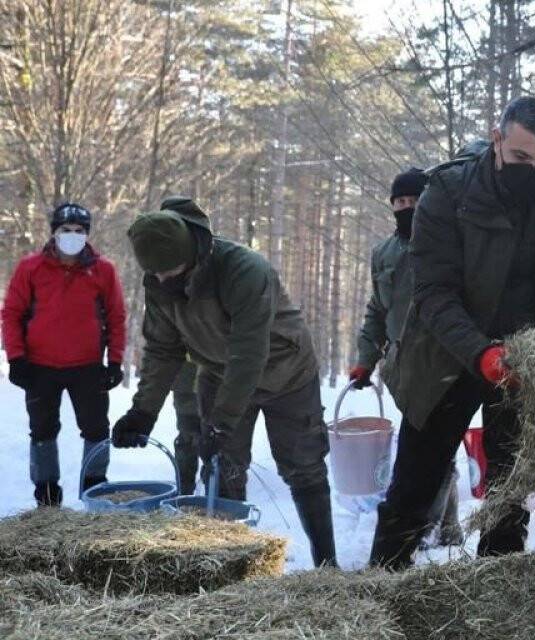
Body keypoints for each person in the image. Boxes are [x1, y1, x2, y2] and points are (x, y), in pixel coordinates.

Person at [369, 96, 535, 569]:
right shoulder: (448, 192)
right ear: (497, 140)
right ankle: (381, 587)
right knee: (414, 490)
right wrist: (480, 354)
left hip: (527, 368)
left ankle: (499, 593)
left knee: (509, 495)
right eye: (521, 157)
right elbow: (434, 293)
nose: (533, 169)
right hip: (446, 359)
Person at [111, 196, 336, 567]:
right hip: (217, 372)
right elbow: (163, 350)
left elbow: (249, 353)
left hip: (287, 372)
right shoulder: (160, 281)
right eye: (158, 275)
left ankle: (327, 564)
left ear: (193, 254)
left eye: (172, 272)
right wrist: (143, 412)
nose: (165, 281)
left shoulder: (244, 270)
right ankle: (234, 564)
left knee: (303, 465)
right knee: (223, 465)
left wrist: (222, 419)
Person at [350, 165, 463, 547]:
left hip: (447, 361)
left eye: (414, 200)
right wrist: (366, 358)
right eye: (399, 201)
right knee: (428, 449)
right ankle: (443, 524)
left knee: (434, 445)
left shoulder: (449, 245)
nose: (406, 207)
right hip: (404, 367)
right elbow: (377, 309)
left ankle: (430, 527)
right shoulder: (383, 253)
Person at [2, 203, 126, 507]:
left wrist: (115, 361)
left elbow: (117, 316)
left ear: (87, 235)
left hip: (88, 367)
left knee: (96, 429)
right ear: (54, 233)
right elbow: (12, 313)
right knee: (42, 429)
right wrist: (15, 357)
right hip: (39, 367)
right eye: (65, 230)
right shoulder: (31, 268)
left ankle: (94, 488)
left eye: (79, 231)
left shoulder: (103, 270)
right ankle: (46, 493)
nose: (72, 236)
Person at [171, 359, 204, 495]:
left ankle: (216, 492)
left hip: (220, 379)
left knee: (218, 439)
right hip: (186, 380)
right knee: (187, 437)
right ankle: (184, 494)